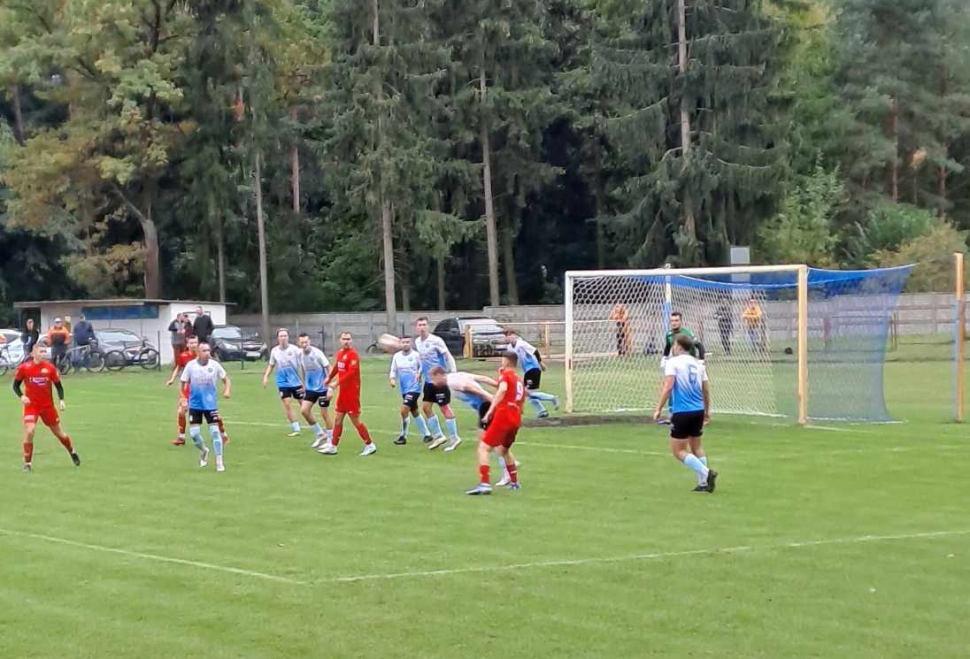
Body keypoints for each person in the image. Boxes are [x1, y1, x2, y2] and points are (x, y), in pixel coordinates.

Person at [653, 334, 718, 493]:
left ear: (679, 347)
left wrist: (658, 408)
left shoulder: (673, 363)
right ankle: (703, 484)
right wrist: (707, 411)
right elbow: (706, 390)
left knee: (678, 450)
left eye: (674, 345)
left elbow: (668, 386)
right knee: (697, 447)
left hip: (682, 411)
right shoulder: (698, 364)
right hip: (698, 410)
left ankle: (706, 473)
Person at [13, 343, 81, 472]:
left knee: (59, 433)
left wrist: (61, 400)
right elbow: (15, 386)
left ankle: (72, 451)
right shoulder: (24, 368)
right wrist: (22, 396)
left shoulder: (49, 368)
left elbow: (58, 386)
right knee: (29, 431)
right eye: (41, 351)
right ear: (33, 354)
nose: (44, 354)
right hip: (31, 406)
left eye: (45, 351)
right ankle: (27, 463)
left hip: (47, 407)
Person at [466, 352, 525, 495]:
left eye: (502, 359)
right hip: (516, 416)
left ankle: (484, 483)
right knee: (504, 450)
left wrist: (490, 410)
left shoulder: (506, 375)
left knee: (483, 448)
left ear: (507, 361)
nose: (501, 361)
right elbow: (520, 398)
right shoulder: (518, 379)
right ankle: (515, 482)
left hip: (504, 414)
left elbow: (503, 390)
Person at [317, 332, 376, 456]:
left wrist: (336, 383)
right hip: (343, 393)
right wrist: (329, 377)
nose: (346, 341)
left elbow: (351, 372)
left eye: (348, 339)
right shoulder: (340, 353)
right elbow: (337, 367)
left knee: (356, 421)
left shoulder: (353, 355)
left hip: (352, 393)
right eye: (344, 339)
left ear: (351, 340)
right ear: (340, 340)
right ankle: (333, 446)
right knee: (338, 419)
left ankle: (370, 445)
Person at [180, 342, 232, 472]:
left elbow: (226, 379)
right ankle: (204, 450)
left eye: (208, 350)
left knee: (215, 432)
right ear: (198, 352)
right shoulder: (191, 366)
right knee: (194, 434)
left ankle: (219, 462)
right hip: (195, 405)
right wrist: (183, 398)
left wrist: (227, 390)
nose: (207, 353)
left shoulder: (215, 365)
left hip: (210, 405)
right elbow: (183, 382)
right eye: (204, 351)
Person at [414, 316, 459, 450]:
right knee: (426, 407)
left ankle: (454, 437)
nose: (422, 327)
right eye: (419, 325)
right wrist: (419, 372)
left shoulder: (436, 340)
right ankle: (439, 436)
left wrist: (453, 373)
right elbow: (423, 359)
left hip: (439, 381)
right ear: (416, 328)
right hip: (429, 381)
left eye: (424, 325)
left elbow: (448, 356)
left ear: (428, 326)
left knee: (444, 407)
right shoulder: (417, 342)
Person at [388, 336, 431, 445]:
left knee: (404, 410)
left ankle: (403, 436)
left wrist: (419, 373)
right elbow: (393, 369)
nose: (405, 344)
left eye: (407, 342)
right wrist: (392, 379)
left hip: (414, 387)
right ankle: (427, 434)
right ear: (400, 344)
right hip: (404, 389)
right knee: (414, 411)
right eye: (403, 342)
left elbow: (422, 366)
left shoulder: (416, 355)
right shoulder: (397, 356)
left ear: (411, 343)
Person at [505, 329, 558, 418]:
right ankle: (542, 411)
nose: (509, 337)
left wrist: (541, 363)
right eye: (507, 336)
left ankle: (552, 398)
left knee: (527, 392)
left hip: (533, 368)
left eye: (511, 335)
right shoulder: (510, 347)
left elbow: (535, 351)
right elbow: (512, 359)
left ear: (516, 336)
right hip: (527, 371)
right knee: (528, 393)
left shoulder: (522, 344)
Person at [262, 329, 305, 436]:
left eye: (285, 336)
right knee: (287, 404)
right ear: (278, 338)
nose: (283, 338)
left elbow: (302, 365)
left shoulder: (295, 350)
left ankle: (314, 424)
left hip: (296, 382)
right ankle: (296, 428)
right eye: (281, 336)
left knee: (304, 405)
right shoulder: (275, 351)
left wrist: (304, 381)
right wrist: (266, 377)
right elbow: (271, 365)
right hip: (283, 382)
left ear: (288, 337)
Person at [297, 333, 334, 450]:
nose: (304, 345)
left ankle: (331, 440)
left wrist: (330, 386)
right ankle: (320, 433)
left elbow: (329, 368)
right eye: (302, 343)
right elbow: (303, 369)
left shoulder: (317, 353)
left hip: (323, 388)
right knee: (304, 410)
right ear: (299, 343)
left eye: (306, 342)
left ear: (309, 342)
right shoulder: (300, 355)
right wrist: (303, 385)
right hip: (310, 388)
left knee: (324, 413)